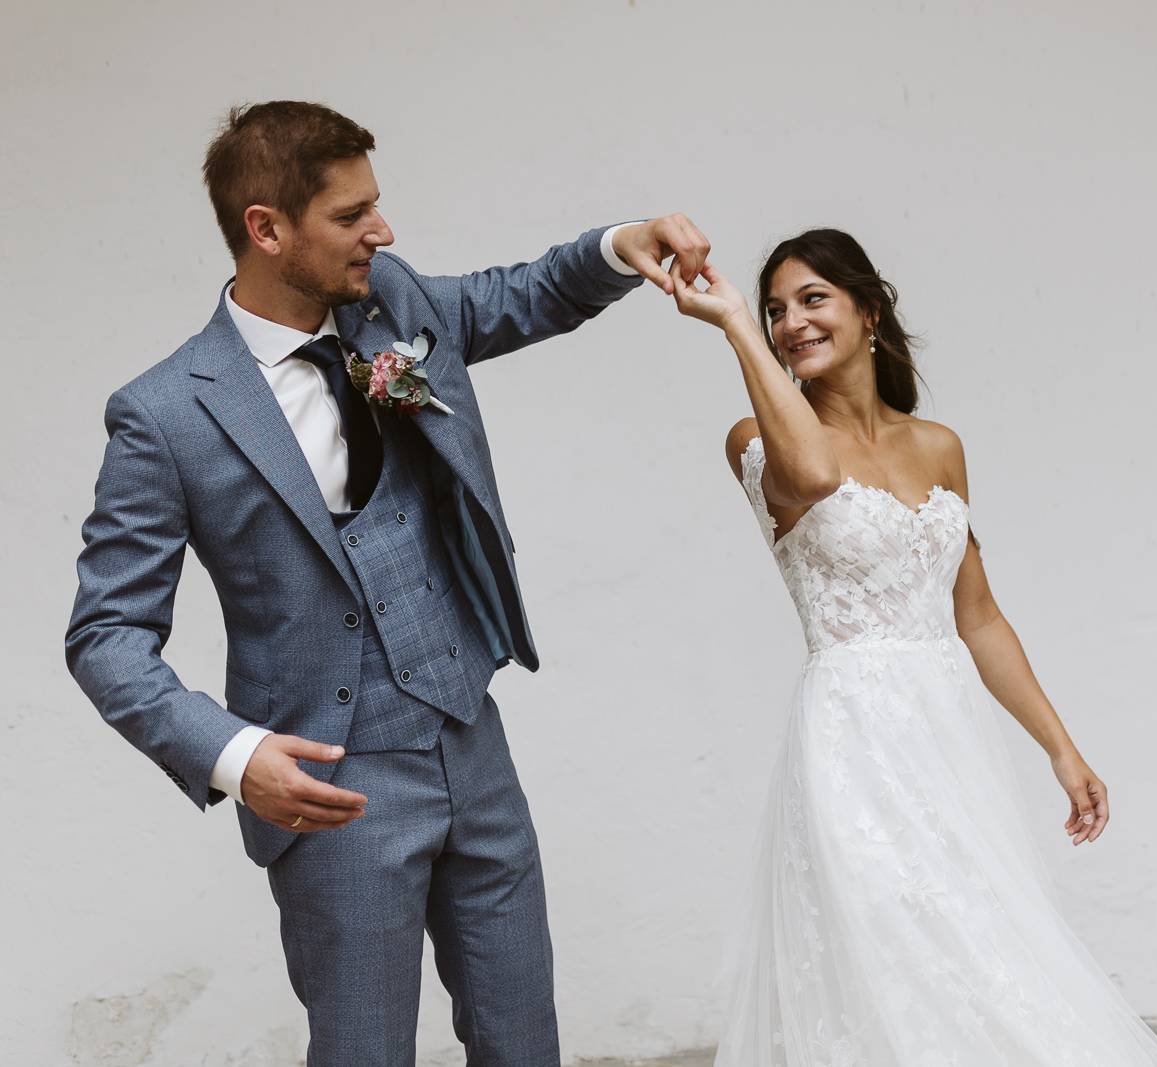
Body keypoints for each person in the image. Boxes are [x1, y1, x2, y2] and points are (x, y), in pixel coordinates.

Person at [64, 100, 708, 1067]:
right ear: (266, 229)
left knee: (525, 1042)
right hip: (331, 783)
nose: (384, 231)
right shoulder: (164, 415)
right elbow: (105, 635)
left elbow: (520, 294)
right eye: (351, 214)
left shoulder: (390, 305)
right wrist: (236, 756)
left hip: (472, 740)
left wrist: (623, 244)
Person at [670, 229, 1157, 1066]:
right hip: (850, 741)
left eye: (812, 299)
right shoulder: (755, 439)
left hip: (947, 738)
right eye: (775, 310)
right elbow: (813, 478)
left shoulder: (940, 446)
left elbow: (977, 617)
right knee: (887, 957)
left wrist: (1061, 750)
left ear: (869, 311)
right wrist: (732, 322)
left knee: (979, 954)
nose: (791, 322)